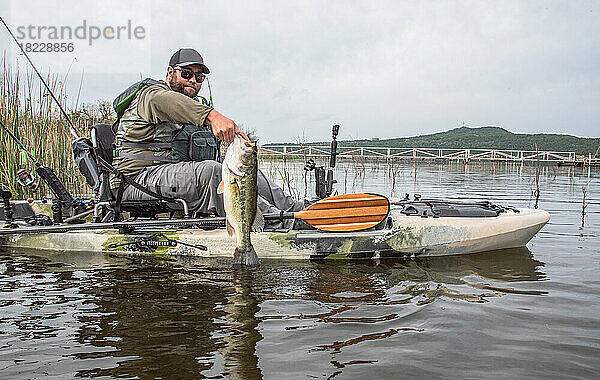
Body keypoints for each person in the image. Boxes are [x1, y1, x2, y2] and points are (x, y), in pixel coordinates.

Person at [111, 48, 303, 227]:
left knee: (246, 172)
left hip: (168, 175)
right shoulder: (151, 95)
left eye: (199, 77)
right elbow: (166, 101)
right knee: (212, 172)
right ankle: (282, 224)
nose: (193, 80)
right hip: (134, 180)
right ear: (170, 73)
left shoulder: (192, 105)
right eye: (186, 73)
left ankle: (297, 210)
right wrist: (213, 117)